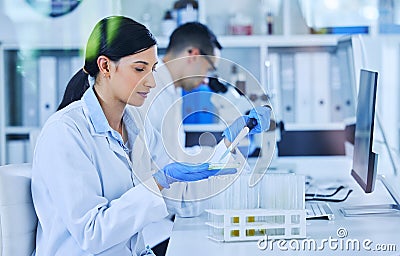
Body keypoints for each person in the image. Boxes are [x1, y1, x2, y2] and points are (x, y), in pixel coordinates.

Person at [31, 16, 232, 256]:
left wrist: (226, 150)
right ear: (105, 66)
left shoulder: (136, 126)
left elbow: (177, 199)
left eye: (153, 69)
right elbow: (92, 234)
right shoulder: (65, 132)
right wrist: (157, 182)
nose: (152, 81)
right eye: (140, 69)